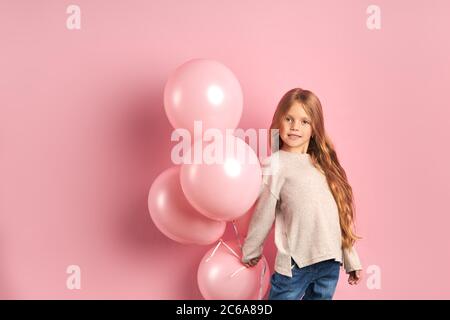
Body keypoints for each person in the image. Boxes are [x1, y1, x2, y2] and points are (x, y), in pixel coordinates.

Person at [241, 88, 362, 300]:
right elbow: (264, 212)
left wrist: (351, 259)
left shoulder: (324, 166)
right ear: (279, 121)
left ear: (314, 128)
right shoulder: (275, 165)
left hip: (329, 263)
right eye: (289, 119)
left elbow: (339, 218)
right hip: (295, 265)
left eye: (304, 122)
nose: (295, 127)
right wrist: (252, 250)